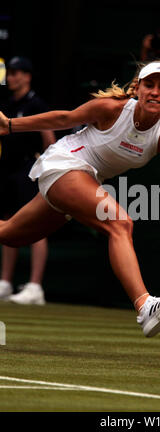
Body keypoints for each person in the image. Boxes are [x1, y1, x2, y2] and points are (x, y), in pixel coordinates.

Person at [0, 61, 160, 337]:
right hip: (64, 165)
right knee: (120, 223)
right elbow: (65, 119)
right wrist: (10, 125)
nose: (155, 92)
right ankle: (145, 306)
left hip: (83, 181)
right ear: (137, 88)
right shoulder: (112, 107)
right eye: (149, 85)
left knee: (10, 234)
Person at [0, 56, 56, 305]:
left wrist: (46, 168)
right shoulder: (8, 104)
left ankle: (35, 287)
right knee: (9, 224)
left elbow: (49, 139)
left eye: (15, 73)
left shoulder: (37, 104)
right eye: (9, 73)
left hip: (30, 171)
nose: (10, 77)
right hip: (7, 171)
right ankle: (5, 282)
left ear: (27, 76)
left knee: (35, 226)